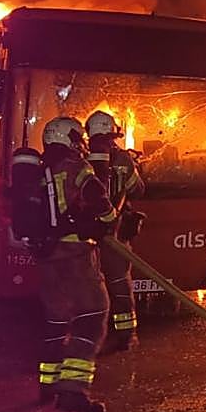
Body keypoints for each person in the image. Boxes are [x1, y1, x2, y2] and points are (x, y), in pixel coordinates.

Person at [32, 116, 118, 412]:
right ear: (70, 139)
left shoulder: (38, 170)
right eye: (77, 138)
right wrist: (109, 221)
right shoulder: (77, 168)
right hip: (75, 254)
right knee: (93, 315)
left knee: (56, 320)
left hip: (46, 257)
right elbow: (97, 196)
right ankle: (72, 390)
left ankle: (48, 383)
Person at [85, 110, 146, 351]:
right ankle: (125, 336)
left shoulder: (80, 158)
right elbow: (138, 190)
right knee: (119, 284)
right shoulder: (122, 159)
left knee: (88, 285)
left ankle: (88, 336)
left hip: (85, 236)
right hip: (116, 234)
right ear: (113, 133)